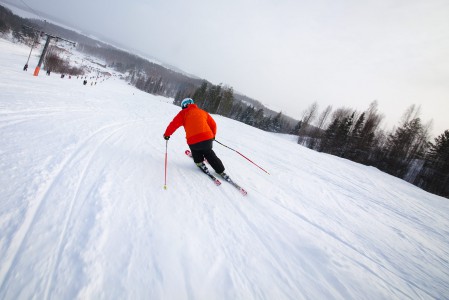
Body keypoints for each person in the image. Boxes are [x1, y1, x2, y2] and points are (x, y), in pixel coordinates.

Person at [163, 98, 230, 180]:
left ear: (184, 106)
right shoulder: (203, 112)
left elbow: (173, 124)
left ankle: (199, 162)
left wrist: (167, 134)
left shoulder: (183, 113)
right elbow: (213, 124)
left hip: (193, 140)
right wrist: (213, 135)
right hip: (207, 138)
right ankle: (220, 170)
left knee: (196, 151)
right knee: (209, 153)